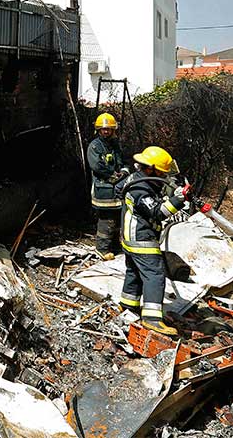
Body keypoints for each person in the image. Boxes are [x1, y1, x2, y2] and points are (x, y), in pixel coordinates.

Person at [115, 146, 191, 337]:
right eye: (161, 172)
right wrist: (177, 200)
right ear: (150, 168)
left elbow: (118, 188)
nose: (163, 176)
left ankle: (128, 305)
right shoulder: (141, 189)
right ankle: (152, 319)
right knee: (155, 275)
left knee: (134, 271)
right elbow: (157, 212)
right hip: (141, 238)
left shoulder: (136, 179)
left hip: (129, 237)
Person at [86, 113, 126, 260]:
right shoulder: (94, 146)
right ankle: (102, 249)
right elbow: (97, 166)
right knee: (106, 220)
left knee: (116, 220)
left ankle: (114, 247)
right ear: (98, 130)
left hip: (116, 191)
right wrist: (114, 176)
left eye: (109, 129)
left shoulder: (114, 145)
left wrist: (124, 171)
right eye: (103, 129)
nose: (106, 132)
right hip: (103, 190)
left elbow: (122, 161)